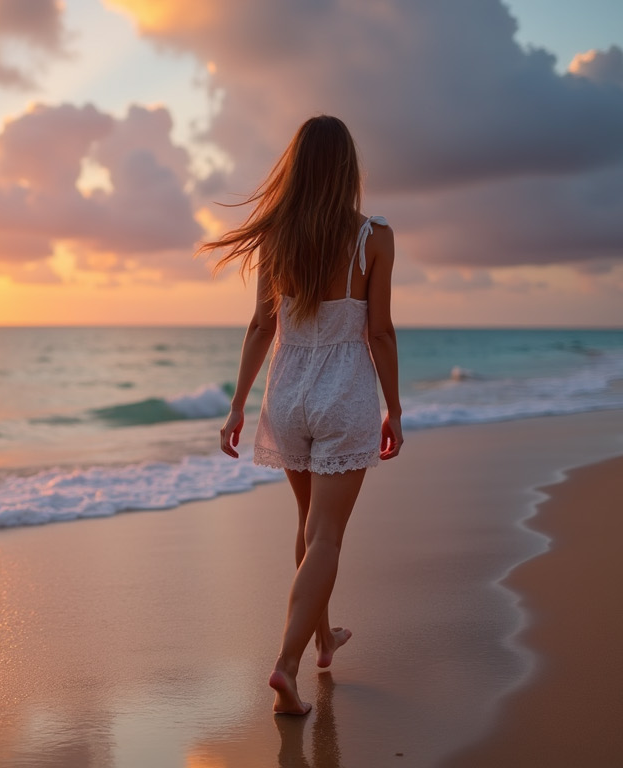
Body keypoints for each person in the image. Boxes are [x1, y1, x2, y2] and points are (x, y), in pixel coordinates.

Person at [199, 115, 403, 715]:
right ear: (347, 169)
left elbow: (263, 325)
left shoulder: (278, 237)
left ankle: (322, 640)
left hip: (287, 392)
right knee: (327, 535)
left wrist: (237, 404)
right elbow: (381, 332)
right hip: (344, 392)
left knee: (310, 524)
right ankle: (286, 666)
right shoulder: (375, 237)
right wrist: (395, 408)